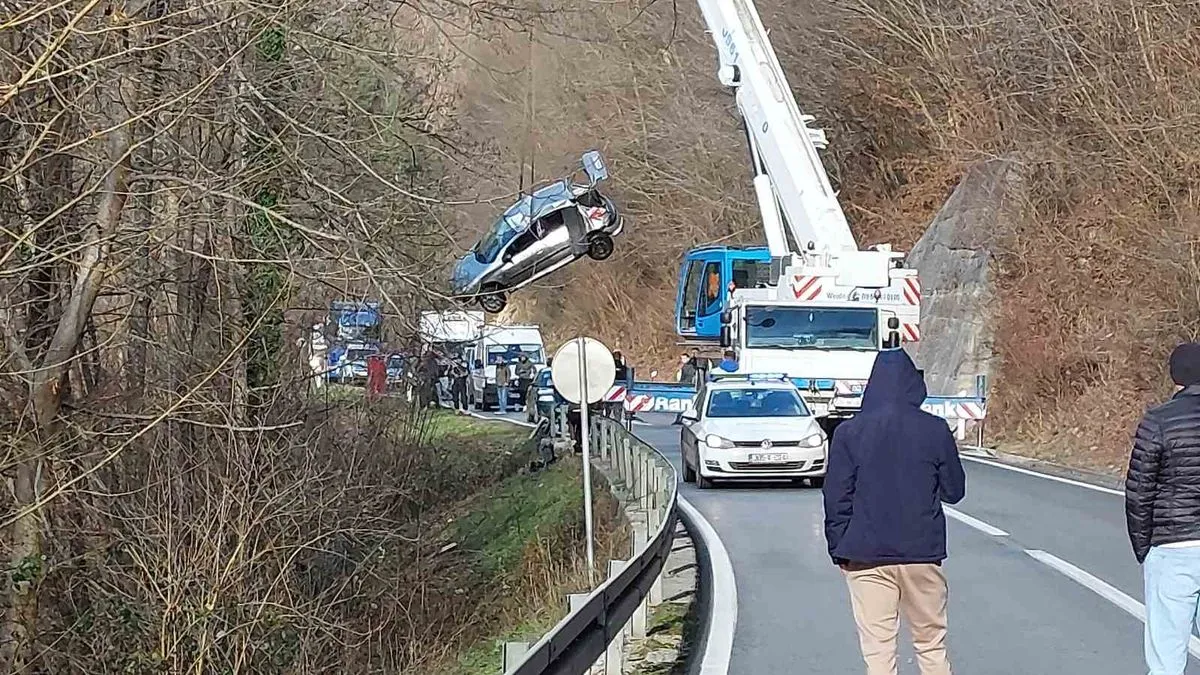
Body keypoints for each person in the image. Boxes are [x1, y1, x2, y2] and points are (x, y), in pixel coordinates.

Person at [823, 348, 965, 675]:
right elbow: (955, 491)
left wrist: (839, 550)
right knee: (930, 644)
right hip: (921, 553)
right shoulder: (935, 430)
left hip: (864, 556)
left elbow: (835, 497)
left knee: (878, 651)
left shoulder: (848, 433)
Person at [1126, 342, 1200, 675]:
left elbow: (1139, 491)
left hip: (1173, 546)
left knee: (1166, 659)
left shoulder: (1159, 421)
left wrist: (1145, 547)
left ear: (1175, 377)